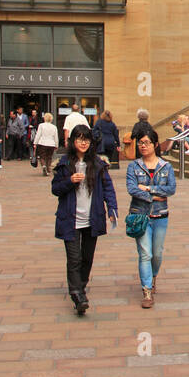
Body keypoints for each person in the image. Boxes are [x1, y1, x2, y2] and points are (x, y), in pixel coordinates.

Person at [53, 123, 119, 316]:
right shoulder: (65, 163)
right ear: (73, 141)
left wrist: (112, 209)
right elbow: (55, 189)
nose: (83, 143)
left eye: (86, 139)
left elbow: (108, 188)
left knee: (87, 258)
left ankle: (80, 287)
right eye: (79, 139)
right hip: (70, 218)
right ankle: (77, 294)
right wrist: (69, 181)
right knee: (74, 259)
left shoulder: (98, 164)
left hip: (92, 218)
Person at [126, 129, 176, 308]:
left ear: (155, 144)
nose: (143, 146)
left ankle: (153, 276)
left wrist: (148, 190)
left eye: (146, 143)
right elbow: (132, 188)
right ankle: (146, 290)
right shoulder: (134, 166)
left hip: (161, 215)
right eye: (140, 143)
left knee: (157, 253)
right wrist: (154, 196)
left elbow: (171, 189)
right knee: (145, 253)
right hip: (140, 214)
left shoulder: (166, 166)